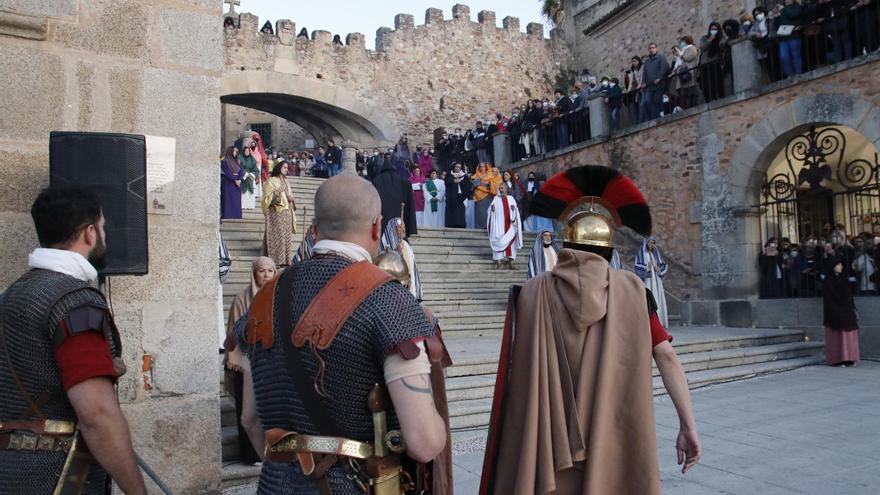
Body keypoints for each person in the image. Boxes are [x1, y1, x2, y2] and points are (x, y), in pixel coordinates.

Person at [481, 166, 700, 495]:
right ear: (610, 252)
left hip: (547, 446)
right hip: (612, 433)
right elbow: (665, 355)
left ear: (565, 244)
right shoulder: (634, 291)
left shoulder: (533, 292)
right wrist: (687, 425)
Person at [241, 175, 451, 493]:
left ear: (313, 230)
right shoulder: (388, 301)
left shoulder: (263, 301)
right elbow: (423, 442)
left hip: (275, 485)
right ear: (378, 228)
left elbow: (250, 419)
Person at [0, 186, 147, 494]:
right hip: (63, 476)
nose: (104, 238)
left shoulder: (9, 296)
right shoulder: (76, 303)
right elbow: (96, 414)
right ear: (89, 233)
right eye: (103, 229)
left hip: (10, 471)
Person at [224, 257, 276, 465]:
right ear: (254, 274)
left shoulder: (278, 297)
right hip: (245, 362)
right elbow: (233, 336)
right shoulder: (241, 300)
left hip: (270, 362)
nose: (265, 275)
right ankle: (251, 454)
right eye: (261, 271)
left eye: (270, 271)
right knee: (247, 414)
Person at [823, 258, 860, 366]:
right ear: (832, 266)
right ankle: (837, 359)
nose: (841, 267)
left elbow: (850, 295)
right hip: (834, 312)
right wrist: (836, 310)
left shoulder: (844, 278)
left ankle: (849, 358)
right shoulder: (828, 281)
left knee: (849, 336)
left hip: (847, 311)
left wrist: (853, 308)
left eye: (841, 265)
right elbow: (829, 298)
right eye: (838, 265)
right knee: (837, 336)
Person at [372, 156, 418, 238]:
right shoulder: (404, 182)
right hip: (399, 219)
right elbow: (410, 204)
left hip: (383, 220)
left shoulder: (376, 181)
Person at [261, 161, 296, 266]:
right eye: (284, 167)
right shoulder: (271, 181)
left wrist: (291, 199)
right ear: (279, 167)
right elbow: (267, 199)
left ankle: (286, 260)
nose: (286, 169)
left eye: (287, 167)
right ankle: (276, 260)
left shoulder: (287, 181)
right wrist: (277, 191)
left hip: (287, 213)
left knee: (286, 237)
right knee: (278, 236)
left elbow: (289, 196)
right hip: (276, 213)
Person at [382, 217, 424, 301]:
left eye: (404, 227)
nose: (403, 230)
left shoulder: (407, 246)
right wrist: (397, 252)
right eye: (400, 227)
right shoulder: (385, 246)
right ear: (393, 229)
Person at [635, 237, 670, 327]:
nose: (651, 245)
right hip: (648, 280)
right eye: (650, 242)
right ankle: (650, 323)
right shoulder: (641, 254)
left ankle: (660, 321)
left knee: (657, 299)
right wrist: (647, 266)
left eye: (653, 243)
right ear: (646, 243)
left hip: (656, 281)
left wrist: (659, 269)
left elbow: (663, 265)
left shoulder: (655, 254)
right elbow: (637, 266)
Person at [487, 182, 524, 270]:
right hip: (499, 226)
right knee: (498, 241)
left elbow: (516, 210)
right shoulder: (496, 199)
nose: (501, 189)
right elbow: (490, 209)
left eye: (502, 188)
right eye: (500, 188)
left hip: (510, 225)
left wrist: (513, 209)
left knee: (511, 245)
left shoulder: (511, 198)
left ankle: (511, 263)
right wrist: (492, 209)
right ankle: (498, 263)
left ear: (506, 189)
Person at [639, 42, 671, 122]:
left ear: (656, 48)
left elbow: (664, 68)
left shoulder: (661, 58)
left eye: (653, 48)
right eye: (650, 48)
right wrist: (643, 82)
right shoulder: (647, 62)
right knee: (647, 101)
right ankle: (655, 116)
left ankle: (659, 116)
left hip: (659, 84)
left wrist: (659, 77)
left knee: (657, 100)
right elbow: (644, 73)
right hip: (649, 86)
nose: (652, 49)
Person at [774, 0, 805, 78]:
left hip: (793, 35)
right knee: (783, 57)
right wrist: (776, 17)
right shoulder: (783, 9)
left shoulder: (797, 7)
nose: (786, 0)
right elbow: (778, 23)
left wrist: (783, 9)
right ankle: (790, 74)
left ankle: (798, 73)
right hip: (783, 37)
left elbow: (793, 15)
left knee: (795, 55)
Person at [699, 22, 728, 102]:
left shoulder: (721, 39)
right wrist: (710, 40)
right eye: (712, 29)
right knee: (706, 84)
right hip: (705, 64)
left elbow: (723, 47)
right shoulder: (705, 38)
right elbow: (702, 48)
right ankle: (709, 99)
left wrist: (719, 41)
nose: (713, 31)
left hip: (716, 63)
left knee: (716, 82)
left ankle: (718, 98)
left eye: (715, 29)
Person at [673, 36, 700, 109]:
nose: (681, 44)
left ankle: (693, 105)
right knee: (684, 93)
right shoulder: (682, 51)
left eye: (682, 42)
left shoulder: (692, 48)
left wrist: (681, 54)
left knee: (691, 91)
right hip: (683, 75)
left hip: (690, 73)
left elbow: (687, 58)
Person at [471, 163, 498, 229]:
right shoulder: (476, 175)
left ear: (486, 167)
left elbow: (494, 184)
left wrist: (486, 184)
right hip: (478, 197)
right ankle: (480, 227)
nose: (481, 168)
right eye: (480, 167)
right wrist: (480, 180)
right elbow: (472, 185)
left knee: (488, 212)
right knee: (480, 213)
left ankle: (489, 226)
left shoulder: (490, 175)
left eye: (483, 166)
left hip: (488, 196)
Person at [444, 162, 471, 228]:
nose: (457, 168)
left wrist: (461, 182)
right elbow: (446, 182)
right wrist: (454, 181)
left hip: (461, 196)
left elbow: (468, 185)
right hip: (451, 196)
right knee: (451, 211)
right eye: (456, 167)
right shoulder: (449, 174)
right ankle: (450, 224)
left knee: (460, 211)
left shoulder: (464, 175)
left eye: (459, 167)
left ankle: (460, 224)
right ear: (454, 167)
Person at [221, 144, 243, 219]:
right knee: (228, 201)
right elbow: (227, 173)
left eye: (236, 151)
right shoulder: (224, 161)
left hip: (236, 184)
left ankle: (236, 216)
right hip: (228, 184)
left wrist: (239, 179)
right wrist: (235, 179)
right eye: (234, 151)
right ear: (230, 151)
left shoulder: (237, 161)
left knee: (236, 201)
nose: (235, 153)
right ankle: (228, 216)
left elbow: (241, 171)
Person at [238, 138, 260, 210]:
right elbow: (238, 167)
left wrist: (251, 174)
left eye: (248, 151)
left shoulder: (252, 159)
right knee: (243, 194)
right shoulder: (239, 157)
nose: (247, 152)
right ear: (243, 151)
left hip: (250, 177)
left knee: (250, 193)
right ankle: (243, 205)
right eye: (246, 151)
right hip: (243, 177)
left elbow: (256, 170)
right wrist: (244, 173)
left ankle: (250, 206)